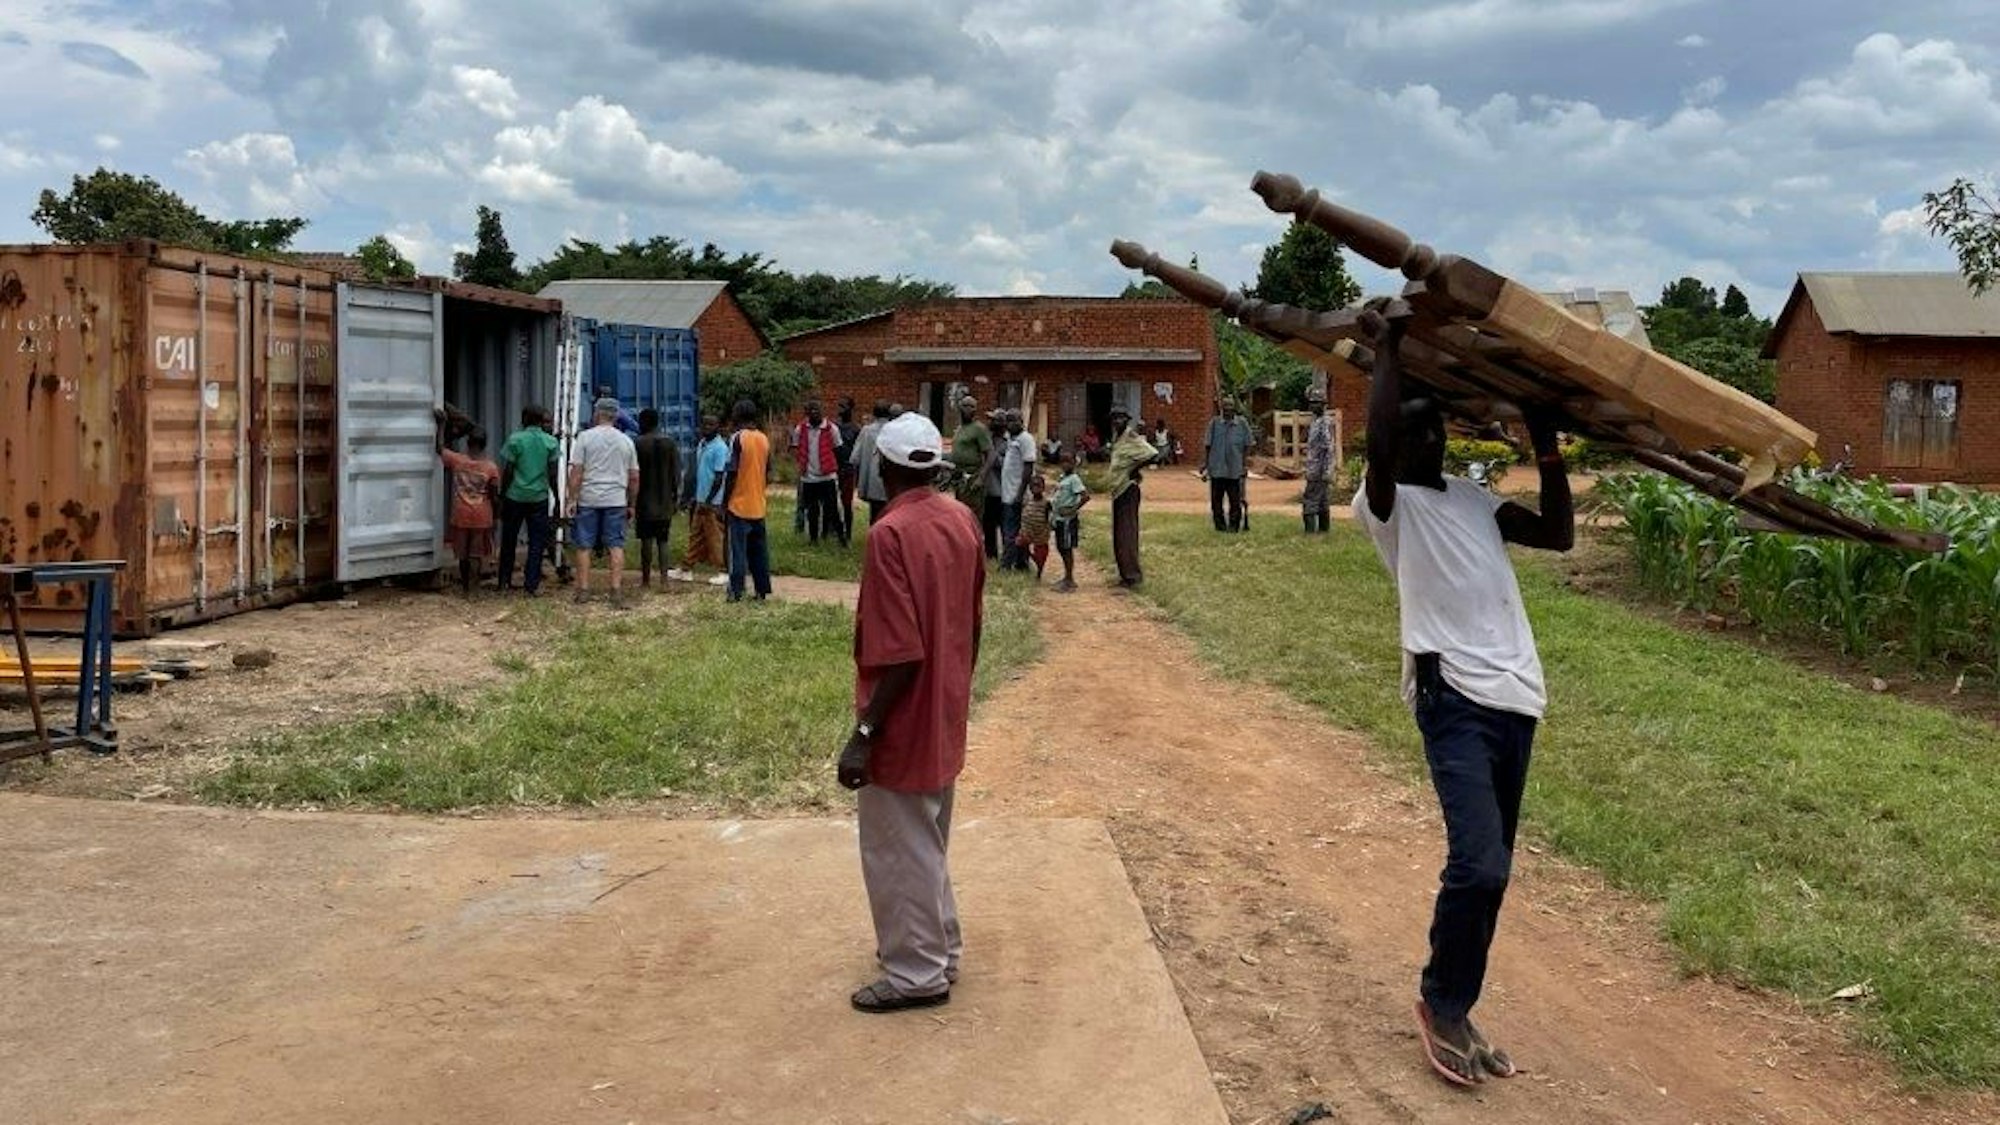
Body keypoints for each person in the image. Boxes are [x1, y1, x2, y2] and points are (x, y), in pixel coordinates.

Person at [1350, 302, 1572, 1089]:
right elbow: (1377, 449)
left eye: (1438, 429)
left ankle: (1458, 1000)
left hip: (1518, 694)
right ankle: (1439, 1001)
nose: (1432, 439)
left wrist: (1544, 443)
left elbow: (1558, 534)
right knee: (1477, 862)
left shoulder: (1474, 500)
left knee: (1498, 867)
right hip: (1453, 694)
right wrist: (1388, 353)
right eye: (1417, 428)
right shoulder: (1385, 505)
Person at [836, 410, 985, 1014]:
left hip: (902, 713)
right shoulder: (962, 520)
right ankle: (938, 948)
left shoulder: (889, 535)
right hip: (944, 704)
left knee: (897, 847)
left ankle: (917, 974)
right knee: (926, 839)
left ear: (884, 465)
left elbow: (897, 651)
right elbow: (971, 624)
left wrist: (865, 732)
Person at [566, 397, 640, 606]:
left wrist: (572, 499)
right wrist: (631, 504)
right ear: (616, 416)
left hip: (589, 498)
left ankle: (583, 590)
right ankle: (615, 591)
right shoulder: (626, 441)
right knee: (616, 546)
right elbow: (634, 477)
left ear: (597, 413)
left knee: (584, 546)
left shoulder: (585, 438)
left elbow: (576, 473)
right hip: (616, 500)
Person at [434, 410, 501, 596]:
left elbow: (439, 448)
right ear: (485, 444)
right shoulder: (491, 468)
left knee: (462, 554)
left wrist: (441, 425)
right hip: (482, 516)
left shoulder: (457, 461)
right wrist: (496, 518)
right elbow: (494, 496)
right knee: (476, 554)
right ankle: (474, 589)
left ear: (467, 443)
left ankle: (464, 587)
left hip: (460, 514)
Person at [497, 405, 560, 596]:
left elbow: (508, 470)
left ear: (524, 419)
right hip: (538, 498)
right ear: (541, 421)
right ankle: (530, 585)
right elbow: (552, 474)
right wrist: (556, 498)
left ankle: (504, 582)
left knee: (508, 540)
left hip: (515, 496)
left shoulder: (515, 439)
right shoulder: (550, 442)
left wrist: (502, 495)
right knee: (536, 542)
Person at [722, 399, 774, 602]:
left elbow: (732, 473)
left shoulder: (737, 438)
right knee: (759, 552)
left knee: (737, 553)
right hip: (758, 505)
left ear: (739, 414)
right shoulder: (763, 438)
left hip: (739, 505)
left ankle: (735, 592)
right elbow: (768, 471)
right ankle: (761, 591)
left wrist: (725, 501)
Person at [1105, 409, 1156, 587]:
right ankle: (1124, 574)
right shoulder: (1117, 438)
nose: (1117, 421)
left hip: (1128, 489)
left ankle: (1133, 576)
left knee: (1127, 534)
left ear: (1127, 420)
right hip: (1118, 490)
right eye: (1114, 418)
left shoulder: (1131, 436)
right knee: (1119, 534)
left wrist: (1135, 469)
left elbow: (1152, 453)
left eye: (1121, 418)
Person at [633, 408, 681, 588]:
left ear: (644, 422)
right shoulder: (670, 443)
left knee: (646, 541)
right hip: (664, 501)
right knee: (663, 541)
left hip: (644, 501)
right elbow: (676, 474)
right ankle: (664, 580)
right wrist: (676, 497)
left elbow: (634, 473)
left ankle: (645, 580)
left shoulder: (638, 443)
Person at [681, 414, 729, 583]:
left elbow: (719, 477)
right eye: (705, 424)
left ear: (718, 427)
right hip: (700, 499)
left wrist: (709, 501)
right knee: (696, 536)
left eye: (711, 424)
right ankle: (686, 568)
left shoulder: (720, 448)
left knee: (715, 537)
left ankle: (724, 571)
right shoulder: (702, 444)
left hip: (713, 502)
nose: (707, 427)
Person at [793, 400, 847, 546]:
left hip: (827, 476)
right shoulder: (800, 429)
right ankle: (813, 538)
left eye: (816, 410)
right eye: (811, 411)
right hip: (809, 477)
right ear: (807, 413)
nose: (814, 413)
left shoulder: (831, 429)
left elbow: (839, 450)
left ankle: (842, 538)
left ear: (822, 412)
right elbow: (796, 448)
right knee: (812, 510)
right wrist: (801, 467)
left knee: (833, 509)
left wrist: (838, 471)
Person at [946, 395, 995, 556]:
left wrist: (981, 477)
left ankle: (975, 551)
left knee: (973, 516)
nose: (969, 409)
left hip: (973, 478)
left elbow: (990, 455)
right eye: (966, 406)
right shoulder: (959, 429)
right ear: (960, 408)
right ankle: (963, 549)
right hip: (959, 478)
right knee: (961, 514)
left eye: (972, 407)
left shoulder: (979, 429)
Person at [1203, 400, 1253, 533]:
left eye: (1230, 408)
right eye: (1225, 408)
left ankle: (1234, 526)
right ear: (1221, 410)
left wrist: (1244, 464)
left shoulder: (1242, 424)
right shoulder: (1214, 424)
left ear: (1234, 409)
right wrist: (1206, 465)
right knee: (1216, 501)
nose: (1227, 411)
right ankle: (1220, 526)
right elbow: (1208, 445)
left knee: (1235, 500)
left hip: (1235, 469)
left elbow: (1248, 445)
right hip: (1217, 469)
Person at [998, 410, 1038, 571]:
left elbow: (1028, 468)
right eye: (1008, 421)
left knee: (1011, 531)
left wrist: (1020, 495)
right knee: (1017, 531)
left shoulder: (1026, 439)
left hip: (1017, 494)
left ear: (1021, 421)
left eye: (1014, 420)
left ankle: (1006, 565)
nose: (1010, 424)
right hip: (1007, 493)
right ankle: (1022, 563)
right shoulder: (1011, 439)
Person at [1049, 451, 1089, 592]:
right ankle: (1067, 577)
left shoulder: (1074, 479)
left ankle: (1069, 579)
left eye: (1069, 461)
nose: (1065, 464)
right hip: (1059, 519)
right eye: (1063, 461)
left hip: (1067, 520)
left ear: (1074, 463)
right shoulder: (1062, 478)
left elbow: (1085, 496)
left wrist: (1073, 509)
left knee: (1066, 548)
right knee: (1061, 547)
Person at [853, 400, 892, 526]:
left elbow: (855, 457)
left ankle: (874, 540)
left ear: (874, 414)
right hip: (890, 481)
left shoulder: (866, 431)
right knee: (889, 514)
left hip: (871, 481)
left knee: (874, 514)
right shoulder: (894, 431)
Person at [1302, 388, 1334, 534]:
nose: (1312, 406)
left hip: (1318, 469)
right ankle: (1323, 529)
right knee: (1322, 500)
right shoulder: (1315, 421)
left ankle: (1310, 531)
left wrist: (1327, 470)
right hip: (1313, 467)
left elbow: (1328, 449)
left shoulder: (1323, 423)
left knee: (1310, 500)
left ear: (1323, 405)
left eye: (1316, 403)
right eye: (1312, 403)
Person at [1016, 472, 1052, 582]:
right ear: (1030, 488)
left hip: (1041, 534)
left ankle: (1039, 572)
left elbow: (1050, 518)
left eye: (1038, 486)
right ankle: (1025, 563)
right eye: (1033, 486)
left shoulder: (1046, 503)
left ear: (1043, 488)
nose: (1036, 488)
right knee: (1020, 544)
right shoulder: (1027, 501)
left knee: (1041, 556)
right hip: (1027, 531)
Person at [836, 396, 862, 543]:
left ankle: (848, 534)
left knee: (847, 503)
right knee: (831, 503)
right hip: (834, 469)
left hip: (848, 470)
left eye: (843, 406)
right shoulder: (834, 427)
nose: (840, 410)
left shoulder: (855, 429)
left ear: (850, 409)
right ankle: (833, 531)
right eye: (839, 406)